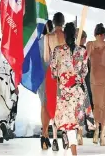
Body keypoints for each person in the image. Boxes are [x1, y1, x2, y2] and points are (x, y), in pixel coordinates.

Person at [50, 22, 88, 156]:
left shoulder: (57, 50)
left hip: (64, 91)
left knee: (66, 122)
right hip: (77, 91)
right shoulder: (82, 51)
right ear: (75, 35)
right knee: (74, 122)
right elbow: (84, 72)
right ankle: (71, 144)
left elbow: (53, 73)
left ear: (65, 35)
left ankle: (73, 150)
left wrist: (63, 76)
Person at [86, 23, 105, 146]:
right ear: (103, 34)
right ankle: (102, 133)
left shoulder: (89, 44)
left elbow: (85, 58)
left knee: (96, 104)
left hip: (94, 76)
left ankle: (97, 129)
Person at [43, 12, 66, 151]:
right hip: (65, 73)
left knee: (53, 104)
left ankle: (55, 139)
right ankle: (65, 133)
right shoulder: (67, 35)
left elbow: (46, 58)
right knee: (64, 103)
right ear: (63, 22)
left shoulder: (47, 37)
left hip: (52, 73)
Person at [0, 33, 18, 144]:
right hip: (8, 83)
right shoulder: (9, 53)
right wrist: (15, 86)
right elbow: (14, 70)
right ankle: (5, 127)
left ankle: (0, 133)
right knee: (7, 107)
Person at [76, 28, 95, 143]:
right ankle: (90, 128)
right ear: (82, 39)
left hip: (75, 80)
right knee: (88, 103)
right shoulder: (84, 50)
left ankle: (79, 129)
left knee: (78, 104)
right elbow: (89, 66)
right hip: (86, 78)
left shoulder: (71, 49)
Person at [38, 20, 54, 149]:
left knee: (44, 104)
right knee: (47, 105)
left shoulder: (37, 43)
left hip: (41, 77)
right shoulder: (53, 40)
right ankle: (44, 134)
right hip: (50, 76)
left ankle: (45, 135)